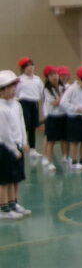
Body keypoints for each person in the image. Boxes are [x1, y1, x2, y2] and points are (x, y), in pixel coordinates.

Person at [0, 70, 29, 219]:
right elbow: (4, 133)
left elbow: (22, 124)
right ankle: (3, 208)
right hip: (5, 148)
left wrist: (24, 141)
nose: (13, 90)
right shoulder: (1, 108)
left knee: (15, 177)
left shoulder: (16, 105)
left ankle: (13, 203)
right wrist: (13, 149)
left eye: (14, 86)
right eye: (10, 87)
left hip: (17, 145)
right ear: (1, 90)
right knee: (5, 179)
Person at [61, 66, 82, 170]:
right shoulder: (71, 89)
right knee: (74, 141)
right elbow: (63, 102)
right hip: (74, 118)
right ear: (79, 79)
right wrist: (76, 109)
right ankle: (73, 162)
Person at [15, 57, 43, 158]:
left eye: (32, 65)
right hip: (24, 103)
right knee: (24, 126)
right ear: (23, 68)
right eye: (27, 66)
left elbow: (41, 92)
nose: (30, 68)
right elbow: (16, 93)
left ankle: (32, 149)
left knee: (32, 127)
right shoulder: (20, 80)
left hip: (34, 103)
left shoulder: (37, 79)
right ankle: (20, 146)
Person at [40, 66, 64, 171]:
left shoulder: (62, 87)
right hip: (52, 117)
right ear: (47, 78)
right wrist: (64, 96)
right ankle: (48, 160)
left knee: (64, 139)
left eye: (56, 74)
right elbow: (55, 102)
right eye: (51, 75)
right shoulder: (47, 90)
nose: (54, 77)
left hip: (62, 116)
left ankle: (66, 157)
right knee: (50, 140)